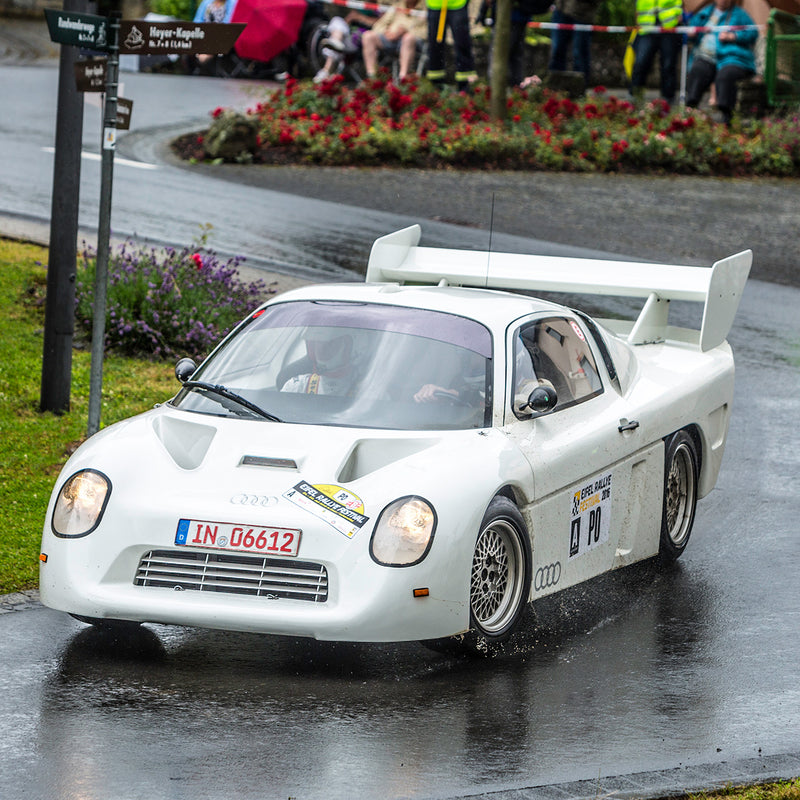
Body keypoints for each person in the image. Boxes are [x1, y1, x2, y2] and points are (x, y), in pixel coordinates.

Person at [685, 0, 758, 123]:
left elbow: (753, 32)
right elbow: (691, 29)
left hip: (732, 57)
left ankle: (727, 116)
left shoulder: (740, 14)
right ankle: (690, 110)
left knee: (725, 76)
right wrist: (693, 33)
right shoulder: (705, 12)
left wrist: (733, 36)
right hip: (706, 57)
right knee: (698, 70)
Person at [629, 0, 683, 104]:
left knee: (668, 65)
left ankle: (667, 100)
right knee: (640, 63)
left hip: (669, 26)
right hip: (646, 27)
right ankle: (635, 96)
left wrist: (680, 16)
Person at [360, 0, 427, 80]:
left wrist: (405, 31)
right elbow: (378, 25)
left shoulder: (425, 8)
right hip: (391, 39)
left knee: (408, 38)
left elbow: (427, 32)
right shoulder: (398, 5)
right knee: (368, 36)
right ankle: (372, 77)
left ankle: (403, 78)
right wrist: (387, 33)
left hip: (414, 43)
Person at [281, 331, 357, 395]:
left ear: (347, 345)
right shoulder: (296, 387)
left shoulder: (362, 390)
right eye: (318, 341)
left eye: (330, 342)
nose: (322, 348)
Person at [425, 0, 478, 90]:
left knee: (462, 43)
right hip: (435, 4)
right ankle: (435, 84)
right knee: (435, 46)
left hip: (458, 4)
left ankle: (465, 85)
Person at [313, 10, 378, 83]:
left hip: (360, 41)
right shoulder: (360, 8)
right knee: (337, 20)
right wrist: (350, 18)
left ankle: (326, 71)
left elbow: (379, 24)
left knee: (335, 43)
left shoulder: (378, 10)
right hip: (347, 37)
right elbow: (346, 22)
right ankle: (336, 42)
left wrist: (360, 17)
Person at [547, 0, 603, 85]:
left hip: (583, 13)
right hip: (561, 9)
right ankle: (554, 87)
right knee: (557, 50)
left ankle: (580, 87)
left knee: (579, 53)